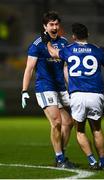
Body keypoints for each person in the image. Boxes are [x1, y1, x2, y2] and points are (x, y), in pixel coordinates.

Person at [46, 23, 104, 170]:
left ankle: (92, 162)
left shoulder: (68, 50)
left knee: (80, 131)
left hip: (77, 95)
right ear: (88, 34)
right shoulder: (96, 50)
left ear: (73, 36)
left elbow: (52, 52)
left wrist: (46, 40)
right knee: (97, 129)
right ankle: (103, 162)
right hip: (95, 94)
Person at [21, 11, 75, 168]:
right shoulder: (37, 45)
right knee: (56, 122)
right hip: (45, 87)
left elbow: (65, 67)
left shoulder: (64, 42)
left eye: (57, 24)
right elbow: (29, 69)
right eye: (51, 24)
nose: (54, 27)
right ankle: (59, 159)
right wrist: (24, 90)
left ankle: (61, 155)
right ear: (45, 26)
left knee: (69, 122)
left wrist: (72, 86)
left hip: (61, 88)